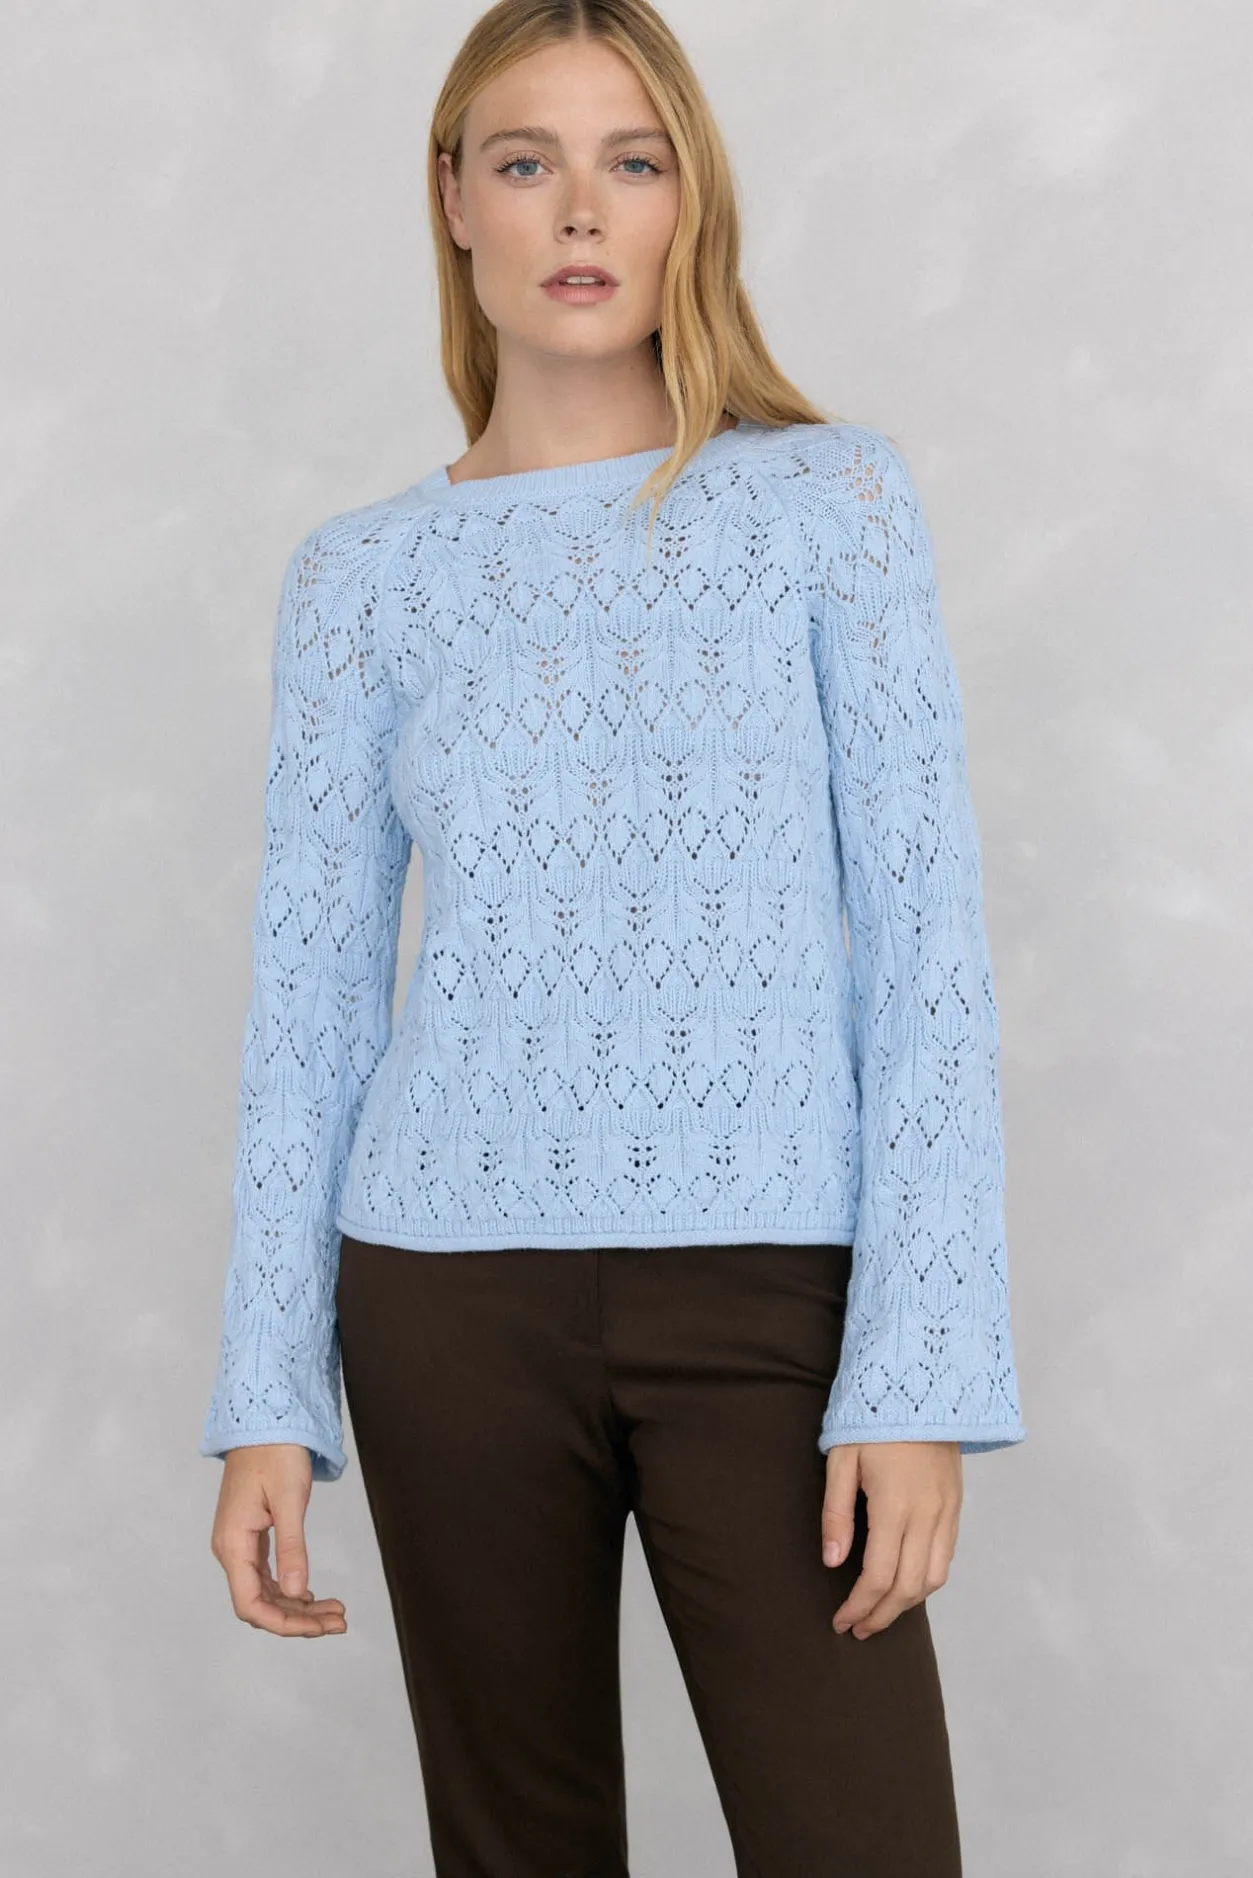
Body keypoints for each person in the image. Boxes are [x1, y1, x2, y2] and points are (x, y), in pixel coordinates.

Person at [200, 2, 1027, 1871]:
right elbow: (311, 1008)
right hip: (446, 1304)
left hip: (772, 1298)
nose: (581, 209)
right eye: (528, 161)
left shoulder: (828, 503)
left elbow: (929, 957)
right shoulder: (362, 578)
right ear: (455, 201)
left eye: (631, 161)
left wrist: (920, 1368)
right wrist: (268, 1397)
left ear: (687, 201)